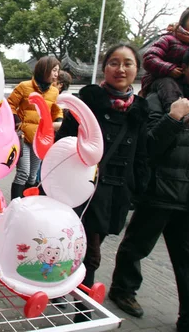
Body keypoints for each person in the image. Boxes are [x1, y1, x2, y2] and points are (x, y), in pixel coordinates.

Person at [109, 41, 189, 332]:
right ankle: (123, 290)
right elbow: (149, 146)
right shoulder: (161, 98)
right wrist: (174, 118)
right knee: (136, 247)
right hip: (159, 194)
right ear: (186, 68)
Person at [55, 44, 149, 291]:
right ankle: (82, 307)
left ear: (136, 69)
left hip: (117, 192)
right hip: (84, 188)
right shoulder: (88, 101)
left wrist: (137, 189)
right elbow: (64, 142)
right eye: (114, 63)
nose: (120, 69)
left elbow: (141, 155)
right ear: (104, 68)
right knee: (91, 253)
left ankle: (63, 282)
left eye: (128, 63)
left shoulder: (140, 110)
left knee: (84, 244)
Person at [7, 56, 63, 199]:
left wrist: (59, 119)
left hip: (41, 139)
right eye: (54, 70)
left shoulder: (54, 92)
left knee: (33, 176)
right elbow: (10, 104)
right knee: (23, 173)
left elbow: (56, 110)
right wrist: (16, 119)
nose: (57, 74)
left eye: (58, 71)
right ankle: (15, 205)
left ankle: (27, 205)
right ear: (45, 70)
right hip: (23, 136)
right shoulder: (24, 86)